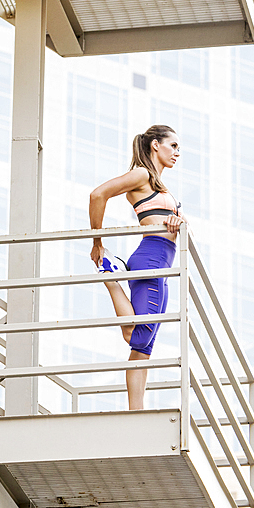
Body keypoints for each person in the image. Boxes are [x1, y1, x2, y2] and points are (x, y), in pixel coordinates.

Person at [89, 125, 185, 410]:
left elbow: (182, 226)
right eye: (173, 146)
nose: (177, 153)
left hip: (163, 265)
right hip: (152, 258)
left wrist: (180, 222)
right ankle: (111, 278)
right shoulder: (142, 174)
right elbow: (98, 195)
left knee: (142, 348)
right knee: (136, 335)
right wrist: (97, 242)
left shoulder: (160, 186)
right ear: (156, 145)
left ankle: (136, 413)